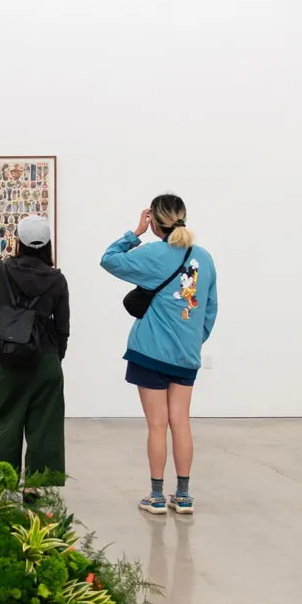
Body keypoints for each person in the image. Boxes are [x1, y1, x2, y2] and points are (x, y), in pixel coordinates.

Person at [101, 195, 218, 517]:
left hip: (149, 353)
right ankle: (183, 496)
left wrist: (135, 232)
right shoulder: (204, 258)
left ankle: (155, 497)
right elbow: (210, 309)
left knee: (157, 425)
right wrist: (192, 339)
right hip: (185, 356)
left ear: (155, 220)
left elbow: (109, 259)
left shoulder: (152, 254)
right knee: (181, 422)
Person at [0, 215, 70, 494]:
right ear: (47, 244)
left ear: (18, 241)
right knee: (45, 424)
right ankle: (35, 488)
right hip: (45, 358)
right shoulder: (57, 279)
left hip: (8, 354)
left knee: (5, 418)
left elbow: (5, 302)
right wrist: (55, 356)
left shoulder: (1, 271)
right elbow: (62, 327)